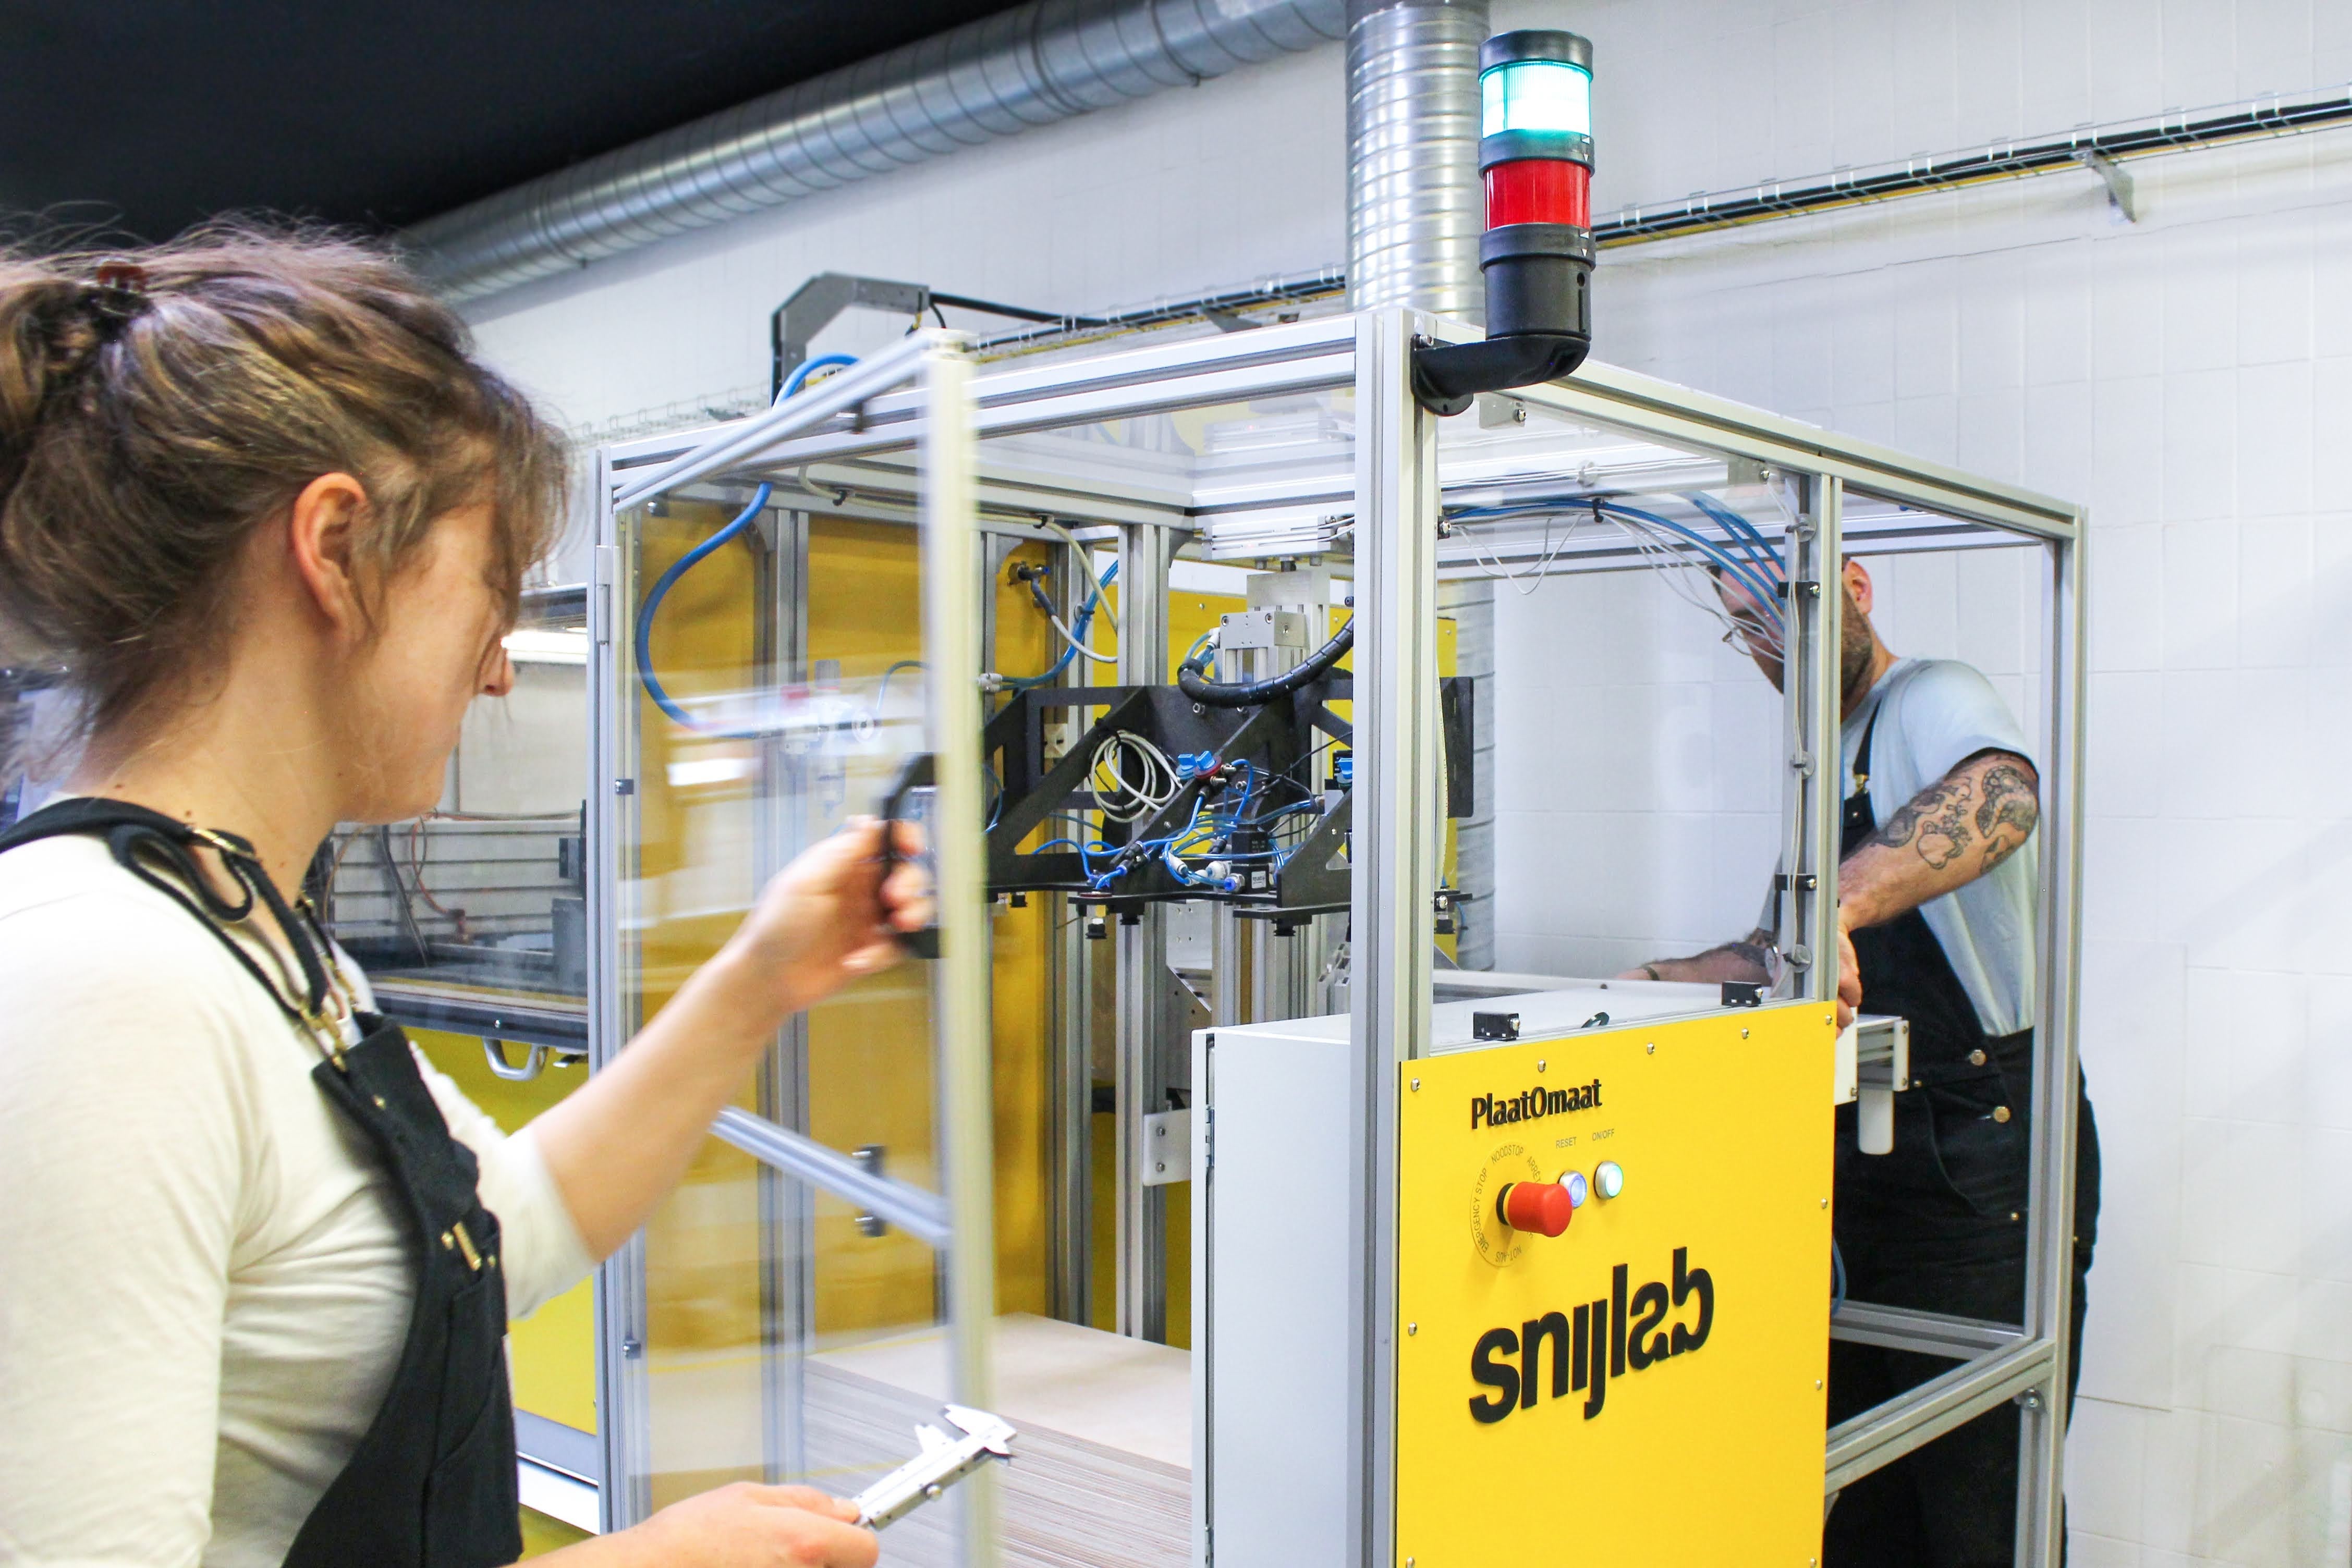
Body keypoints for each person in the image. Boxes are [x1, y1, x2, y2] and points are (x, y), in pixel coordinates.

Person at [0, 229, 925, 1568]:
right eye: (489, 591)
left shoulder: (243, 936)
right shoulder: (101, 985)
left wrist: (764, 972)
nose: (498, 669)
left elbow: (508, 1229)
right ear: (333, 548)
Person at [1625, 555, 2100, 1566]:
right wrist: (1643, 985)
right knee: (1865, 1496)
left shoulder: (1932, 695)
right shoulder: (1822, 757)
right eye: (1746, 625)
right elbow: (1788, 952)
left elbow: (2002, 795)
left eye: (1789, 609)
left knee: (1979, 1497)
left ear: (1855, 586)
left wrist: (1839, 901)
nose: (1771, 642)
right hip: (1866, 1162)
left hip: (1979, 1154)